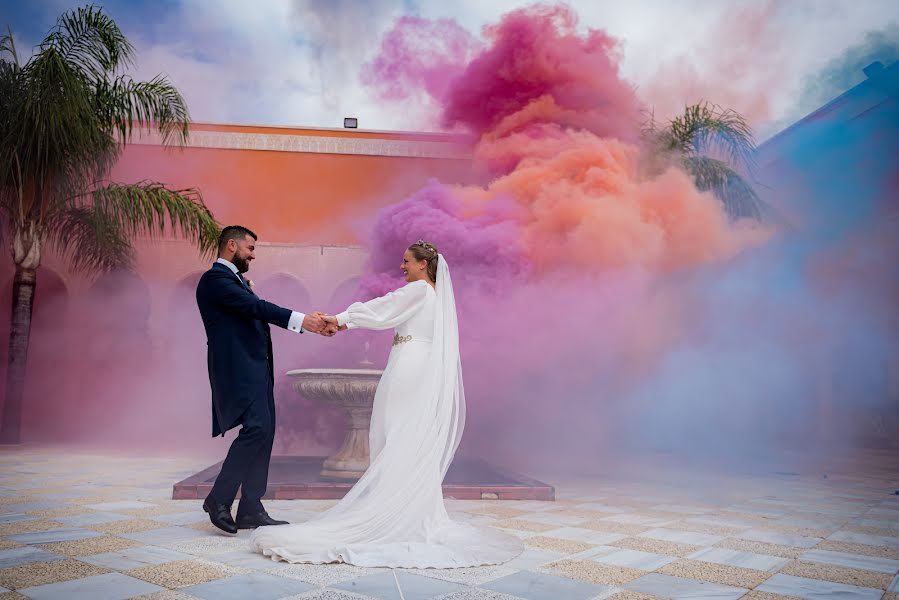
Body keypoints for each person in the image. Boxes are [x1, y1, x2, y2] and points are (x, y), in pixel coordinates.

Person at [250, 240, 523, 567]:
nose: (403, 267)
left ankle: (393, 512)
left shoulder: (420, 290)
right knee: (405, 436)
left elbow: (384, 306)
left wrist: (340, 319)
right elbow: (391, 309)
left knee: (396, 434)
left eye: (407, 261)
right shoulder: (434, 295)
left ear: (424, 264)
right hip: (415, 364)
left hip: (408, 365)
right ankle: (406, 508)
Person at [196, 225, 335, 534]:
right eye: (250, 248)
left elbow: (249, 310)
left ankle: (250, 508)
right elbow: (256, 308)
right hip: (238, 370)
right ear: (231, 246)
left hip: (255, 369)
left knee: (265, 430)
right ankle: (218, 499)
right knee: (257, 428)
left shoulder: (234, 280)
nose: (253, 255)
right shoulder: (215, 280)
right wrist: (303, 321)